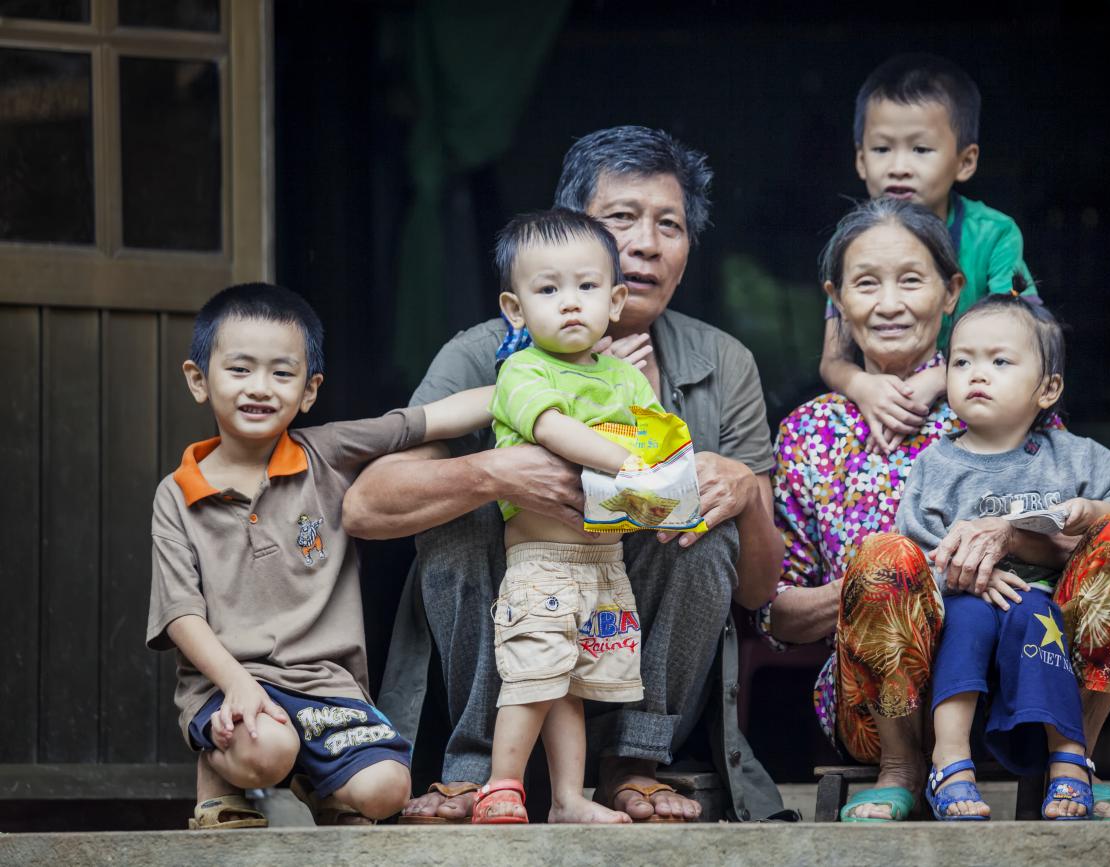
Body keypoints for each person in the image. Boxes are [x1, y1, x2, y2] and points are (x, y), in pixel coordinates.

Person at [344, 126, 785, 824]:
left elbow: (760, 587)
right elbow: (366, 506)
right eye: (621, 219)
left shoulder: (721, 360)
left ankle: (633, 765)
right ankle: (479, 769)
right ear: (571, 229)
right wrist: (495, 472)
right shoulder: (489, 352)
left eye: (668, 224)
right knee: (458, 518)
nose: (644, 242)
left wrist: (744, 494)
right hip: (524, 593)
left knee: (705, 534)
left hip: (615, 608)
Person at [763, 198, 1110, 821]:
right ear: (835, 300)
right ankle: (902, 768)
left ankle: (1073, 755)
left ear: (951, 292)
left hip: (1033, 667)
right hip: (885, 707)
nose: (889, 303)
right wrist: (894, 584)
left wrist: (1010, 540)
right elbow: (775, 611)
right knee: (886, 557)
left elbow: (1082, 538)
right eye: (866, 283)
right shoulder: (806, 432)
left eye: (912, 280)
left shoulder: (1001, 400)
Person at [146, 283, 491, 829]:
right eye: (240, 370)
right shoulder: (177, 494)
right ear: (198, 380)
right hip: (229, 685)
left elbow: (427, 420)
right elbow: (181, 613)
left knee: (387, 790)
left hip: (328, 689)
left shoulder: (325, 453)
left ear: (309, 391)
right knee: (266, 750)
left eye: (282, 374)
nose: (260, 388)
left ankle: (322, 784)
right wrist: (238, 683)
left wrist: (542, 388)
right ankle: (219, 781)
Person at [899, 295, 1110, 821]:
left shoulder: (1079, 459)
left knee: (1040, 618)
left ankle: (1070, 760)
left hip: (1043, 607)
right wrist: (964, 576)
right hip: (963, 608)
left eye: (999, 361)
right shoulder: (933, 466)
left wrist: (1085, 510)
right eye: (962, 360)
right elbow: (915, 551)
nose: (977, 374)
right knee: (967, 620)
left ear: (1048, 389)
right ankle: (950, 762)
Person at [470, 208, 675, 825]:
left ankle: (568, 800)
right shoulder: (521, 371)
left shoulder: (624, 378)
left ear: (615, 301)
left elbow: (662, 440)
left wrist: (668, 497)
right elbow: (554, 430)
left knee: (574, 686)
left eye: (587, 287)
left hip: (605, 562)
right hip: (542, 563)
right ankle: (501, 785)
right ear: (515, 308)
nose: (569, 303)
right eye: (548, 289)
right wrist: (631, 462)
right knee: (534, 675)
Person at [820, 52, 1037, 455]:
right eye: (883, 150)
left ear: (966, 161)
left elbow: (1030, 341)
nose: (899, 167)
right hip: (885, 417)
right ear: (861, 160)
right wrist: (863, 386)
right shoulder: (852, 242)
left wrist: (940, 377)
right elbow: (833, 359)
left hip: (981, 422)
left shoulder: (993, 235)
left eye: (921, 150)